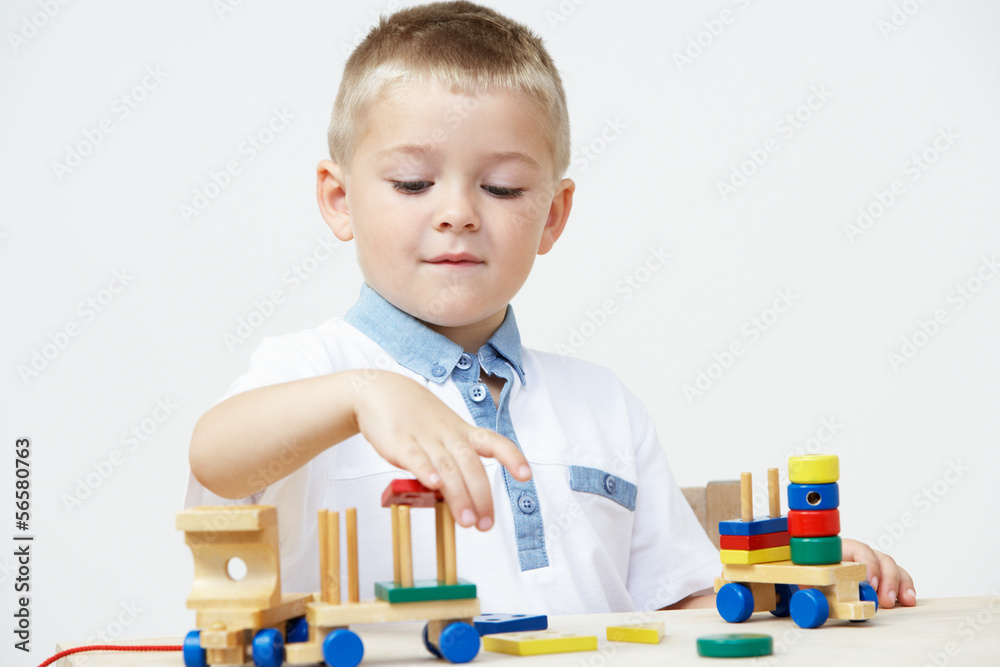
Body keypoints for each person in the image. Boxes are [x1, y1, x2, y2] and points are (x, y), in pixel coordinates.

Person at [185, 0, 914, 614]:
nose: (458, 213)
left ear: (554, 216)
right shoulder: (317, 370)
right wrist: (362, 395)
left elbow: (677, 604)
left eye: (502, 188)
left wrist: (791, 582)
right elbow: (215, 456)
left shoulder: (605, 405)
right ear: (339, 199)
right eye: (412, 182)